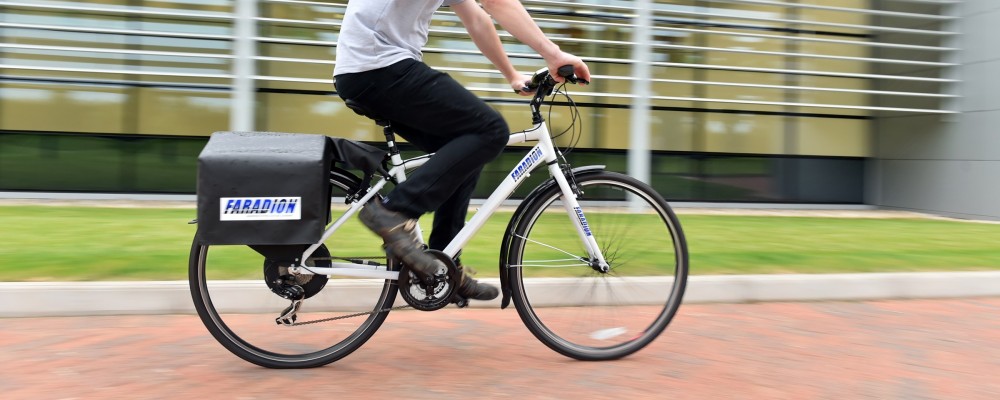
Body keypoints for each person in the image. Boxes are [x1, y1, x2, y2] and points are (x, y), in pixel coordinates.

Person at [333, 0, 591, 302]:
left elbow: (477, 18)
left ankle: (443, 267)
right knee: (490, 130)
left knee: (465, 150)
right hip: (378, 66)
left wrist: (511, 74)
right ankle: (393, 212)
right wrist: (554, 54)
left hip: (369, 69)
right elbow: (497, 3)